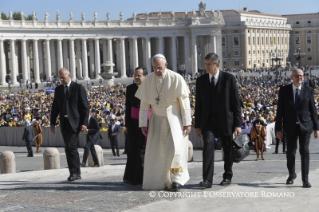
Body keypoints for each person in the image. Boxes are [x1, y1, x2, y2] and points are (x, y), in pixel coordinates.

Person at [135, 54, 192, 192]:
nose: (157, 71)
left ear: (165, 65)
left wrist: (187, 122)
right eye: (154, 68)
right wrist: (143, 123)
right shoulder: (148, 80)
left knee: (176, 150)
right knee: (158, 152)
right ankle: (159, 181)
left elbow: (184, 103)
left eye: (159, 68)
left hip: (174, 119)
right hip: (156, 121)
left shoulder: (176, 78)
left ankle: (176, 180)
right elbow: (144, 104)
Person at [195, 53, 241, 188]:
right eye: (205, 64)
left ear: (217, 65)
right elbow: (199, 104)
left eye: (209, 64)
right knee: (208, 144)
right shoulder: (201, 80)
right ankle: (207, 179)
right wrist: (197, 125)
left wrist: (237, 124)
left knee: (227, 148)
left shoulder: (229, 79)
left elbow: (236, 103)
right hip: (208, 120)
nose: (206, 67)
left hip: (225, 120)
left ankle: (227, 175)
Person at [275, 68, 319, 188]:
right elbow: (280, 111)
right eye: (296, 76)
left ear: (303, 77)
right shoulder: (284, 90)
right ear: (292, 77)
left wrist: (316, 128)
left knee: (304, 151)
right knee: (291, 152)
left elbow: (313, 110)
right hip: (289, 126)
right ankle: (291, 175)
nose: (299, 78)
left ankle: (305, 179)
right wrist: (278, 129)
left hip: (305, 126)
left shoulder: (308, 90)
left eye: (301, 76)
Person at [50, 68, 89, 181]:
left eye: (63, 77)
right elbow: (55, 108)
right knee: (68, 148)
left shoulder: (78, 88)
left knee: (71, 146)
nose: (61, 79)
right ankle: (73, 172)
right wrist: (52, 123)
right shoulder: (58, 90)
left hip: (75, 122)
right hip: (64, 122)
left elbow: (85, 107)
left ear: (69, 75)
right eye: (60, 77)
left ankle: (76, 173)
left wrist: (84, 123)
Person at [123, 66, 147, 185]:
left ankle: (143, 177)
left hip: (147, 124)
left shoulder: (150, 88)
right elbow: (128, 108)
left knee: (143, 151)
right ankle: (131, 177)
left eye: (139, 75)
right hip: (133, 124)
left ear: (145, 76)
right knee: (132, 151)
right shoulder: (130, 88)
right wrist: (126, 124)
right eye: (135, 75)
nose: (136, 77)